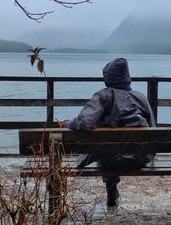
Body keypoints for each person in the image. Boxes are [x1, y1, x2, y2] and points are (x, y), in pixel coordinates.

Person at [59, 58, 156, 207]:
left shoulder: (103, 95)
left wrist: (67, 123)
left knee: (106, 149)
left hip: (111, 159)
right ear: (127, 76)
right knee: (110, 148)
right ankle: (112, 190)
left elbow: (84, 122)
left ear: (107, 76)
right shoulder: (141, 98)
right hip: (139, 158)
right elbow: (152, 129)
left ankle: (111, 190)